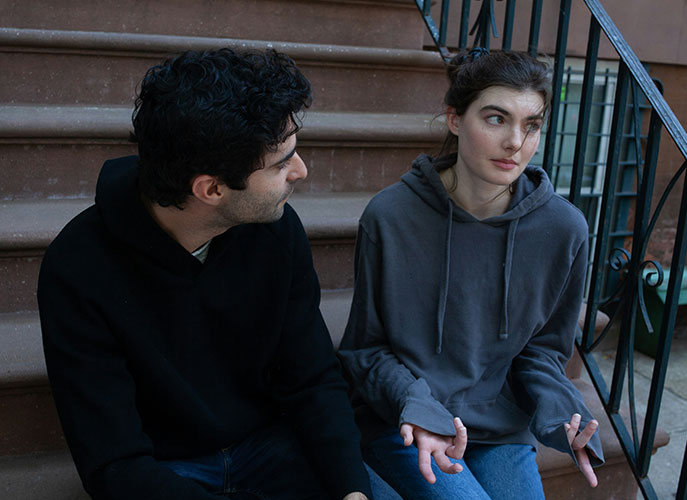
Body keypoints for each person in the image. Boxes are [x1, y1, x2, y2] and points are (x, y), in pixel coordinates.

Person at [38, 48, 377, 500]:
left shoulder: (275, 231)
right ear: (211, 188)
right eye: (281, 163)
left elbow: (312, 379)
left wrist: (351, 490)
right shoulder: (79, 267)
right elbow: (114, 463)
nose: (301, 171)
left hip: (271, 448)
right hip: (165, 471)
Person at [337, 48, 605, 500]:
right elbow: (366, 349)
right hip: (407, 417)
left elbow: (543, 352)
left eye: (532, 125)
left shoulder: (563, 229)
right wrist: (416, 405)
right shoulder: (391, 216)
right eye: (497, 119)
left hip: (499, 427)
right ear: (455, 119)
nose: (515, 142)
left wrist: (563, 412)